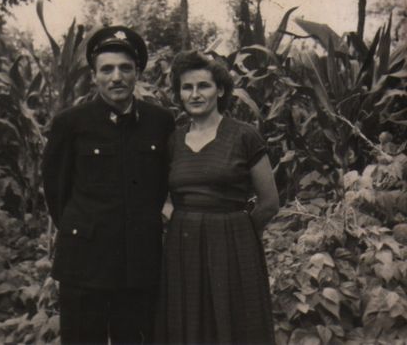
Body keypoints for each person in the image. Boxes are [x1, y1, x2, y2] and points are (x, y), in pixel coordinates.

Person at [41, 26, 175, 345]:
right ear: (94, 76)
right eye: (107, 69)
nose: (117, 77)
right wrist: (86, 228)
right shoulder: (70, 123)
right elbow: (57, 192)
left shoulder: (160, 122)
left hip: (139, 263)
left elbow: (163, 183)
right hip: (85, 262)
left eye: (125, 68)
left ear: (137, 72)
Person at [156, 50, 279, 345]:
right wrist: (176, 216)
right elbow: (161, 194)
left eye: (204, 86)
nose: (195, 94)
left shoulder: (244, 136)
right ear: (179, 94)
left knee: (236, 321)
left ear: (220, 90)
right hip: (183, 246)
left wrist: (238, 231)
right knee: (189, 322)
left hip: (233, 243)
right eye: (187, 87)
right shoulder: (173, 141)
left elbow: (269, 203)